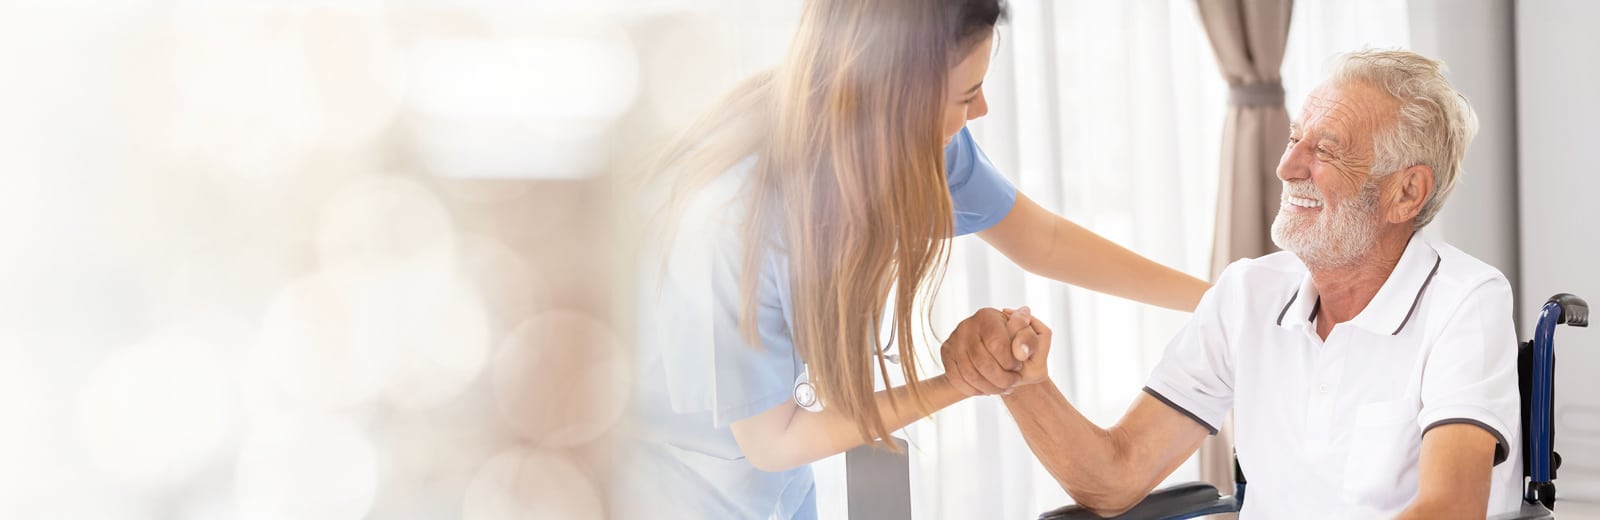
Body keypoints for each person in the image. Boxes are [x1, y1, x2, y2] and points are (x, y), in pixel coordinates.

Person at [616, 0, 1209, 518]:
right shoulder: (734, 219)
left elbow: (1043, 240)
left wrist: (1223, 297)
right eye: (966, 95)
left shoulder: (922, 148)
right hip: (672, 492)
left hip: (776, 487)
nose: (980, 114)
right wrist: (959, 381)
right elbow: (774, 441)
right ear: (890, 98)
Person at [946, 49, 1522, 518]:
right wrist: (1022, 383)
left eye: (1324, 151)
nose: (1287, 165)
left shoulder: (1466, 300)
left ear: (1405, 193)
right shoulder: (1247, 294)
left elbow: (1451, 507)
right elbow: (1114, 477)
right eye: (1296, 138)